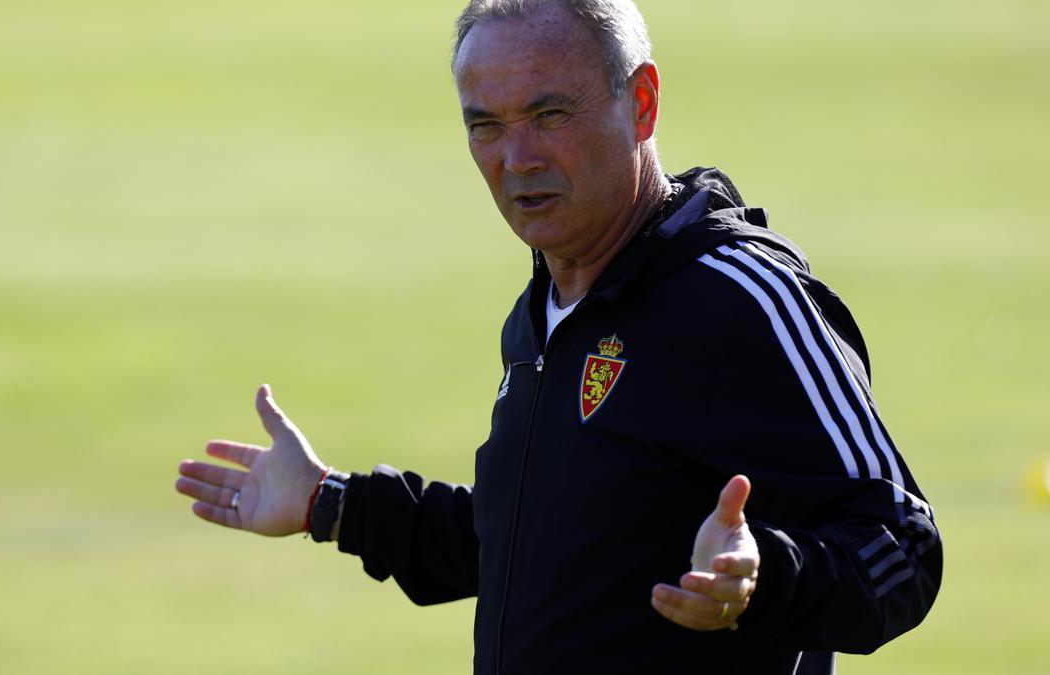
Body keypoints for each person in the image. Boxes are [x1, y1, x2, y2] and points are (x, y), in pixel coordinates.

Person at [174, 1, 942, 673]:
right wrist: (329, 502)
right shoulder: (548, 304)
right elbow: (539, 538)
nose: (517, 159)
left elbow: (903, 545)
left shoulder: (739, 298)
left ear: (641, 104)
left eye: (549, 115)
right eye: (486, 126)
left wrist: (762, 578)